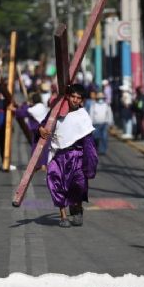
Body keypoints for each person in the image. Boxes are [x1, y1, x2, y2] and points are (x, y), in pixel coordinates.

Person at [39, 84, 98, 228]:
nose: (75, 100)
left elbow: (88, 142)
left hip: (77, 155)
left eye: (79, 98)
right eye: (73, 96)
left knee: (79, 185)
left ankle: (77, 209)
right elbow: (44, 124)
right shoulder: (57, 112)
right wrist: (40, 128)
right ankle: (63, 216)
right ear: (68, 97)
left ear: (82, 100)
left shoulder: (83, 116)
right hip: (58, 155)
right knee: (57, 183)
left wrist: (90, 163)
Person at [15, 93, 50, 170]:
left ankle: (36, 164)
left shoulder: (33, 109)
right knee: (45, 148)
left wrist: (24, 106)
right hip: (46, 129)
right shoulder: (42, 106)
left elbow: (21, 113)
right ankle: (44, 164)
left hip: (38, 130)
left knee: (35, 146)